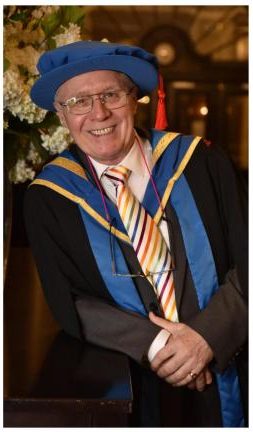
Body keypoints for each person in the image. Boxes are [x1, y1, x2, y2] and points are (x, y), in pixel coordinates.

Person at [24, 40, 248, 427]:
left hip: (232, 363)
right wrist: (165, 347)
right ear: (62, 116)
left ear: (134, 98)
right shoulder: (50, 198)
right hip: (130, 383)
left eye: (111, 94)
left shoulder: (203, 163)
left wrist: (206, 338)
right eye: (78, 101)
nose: (98, 113)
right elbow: (69, 301)